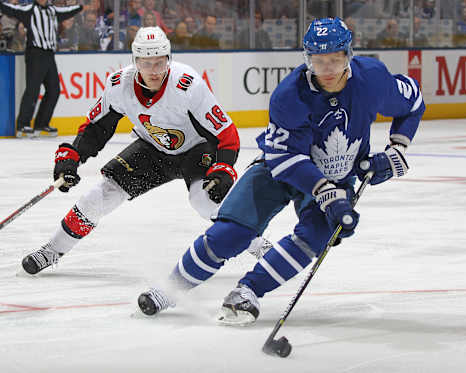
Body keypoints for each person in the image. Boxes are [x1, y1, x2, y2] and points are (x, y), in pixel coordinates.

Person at [136, 17, 425, 325]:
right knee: (230, 233)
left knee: (315, 236)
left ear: (348, 54)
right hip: (283, 170)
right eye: (318, 60)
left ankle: (247, 292)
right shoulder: (290, 94)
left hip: (338, 175)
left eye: (335, 59)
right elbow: (284, 156)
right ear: (307, 58)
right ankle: (172, 287)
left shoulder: (373, 79)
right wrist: (327, 193)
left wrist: (397, 150)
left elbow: (413, 102)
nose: (327, 69)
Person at [21, 26, 269, 276]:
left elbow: (226, 132)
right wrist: (72, 157)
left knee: (204, 201)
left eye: (160, 63)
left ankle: (259, 246)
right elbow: (96, 128)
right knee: (101, 194)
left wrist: (224, 166)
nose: (154, 71)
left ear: (168, 60)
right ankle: (53, 250)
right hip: (152, 149)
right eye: (146, 63)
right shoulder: (119, 85)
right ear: (135, 61)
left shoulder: (187, 84)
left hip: (196, 150)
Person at [0, 0, 82, 137]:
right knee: (33, 89)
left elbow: (67, 11)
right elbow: (11, 8)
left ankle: (41, 123)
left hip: (49, 54)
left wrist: (81, 6)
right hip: (35, 54)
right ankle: (23, 124)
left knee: (54, 89)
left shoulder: (52, 11)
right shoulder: (29, 10)